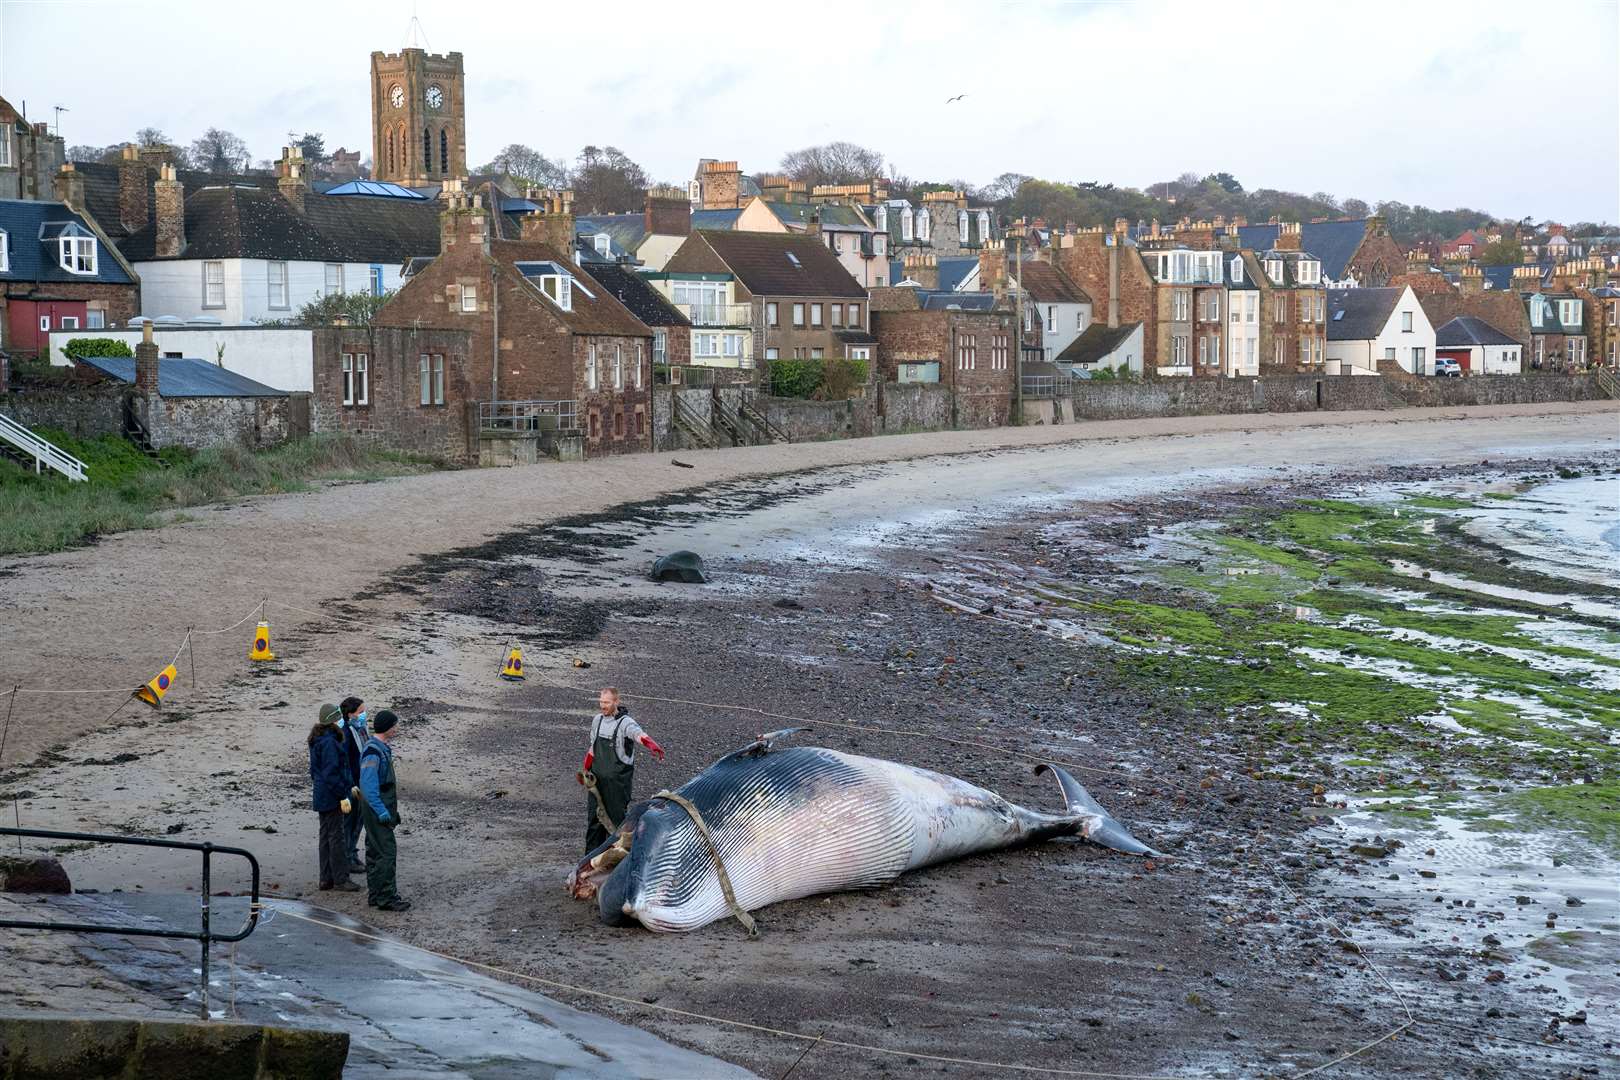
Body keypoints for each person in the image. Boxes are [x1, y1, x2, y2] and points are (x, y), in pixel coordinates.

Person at [577, 688, 664, 853]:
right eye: (601, 702)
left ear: (616, 702)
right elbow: (592, 749)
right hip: (597, 783)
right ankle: (589, 861)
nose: (603, 706)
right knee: (594, 822)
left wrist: (651, 744)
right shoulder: (597, 720)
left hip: (617, 786)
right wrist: (585, 769)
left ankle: (617, 862)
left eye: (607, 702)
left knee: (618, 825)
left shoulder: (625, 723)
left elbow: (638, 734)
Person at [358, 709, 410, 912]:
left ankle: (376, 894)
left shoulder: (380, 748)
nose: (397, 728)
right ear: (388, 727)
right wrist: (380, 810)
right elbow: (368, 786)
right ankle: (386, 897)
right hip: (375, 808)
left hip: (379, 807)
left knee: (374, 850)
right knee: (386, 852)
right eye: (395, 725)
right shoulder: (373, 751)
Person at [308, 703, 359, 892]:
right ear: (333, 720)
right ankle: (340, 879)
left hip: (322, 794)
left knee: (325, 836)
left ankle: (326, 878)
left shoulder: (318, 738)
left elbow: (316, 771)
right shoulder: (329, 742)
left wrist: (349, 786)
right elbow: (332, 772)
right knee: (336, 838)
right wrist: (342, 795)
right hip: (331, 795)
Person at [338, 697, 369, 874]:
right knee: (350, 822)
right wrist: (350, 785)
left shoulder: (360, 729)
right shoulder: (346, 733)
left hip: (360, 781)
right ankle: (348, 857)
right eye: (360, 712)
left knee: (358, 820)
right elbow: (345, 762)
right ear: (350, 714)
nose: (364, 714)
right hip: (352, 785)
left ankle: (352, 853)